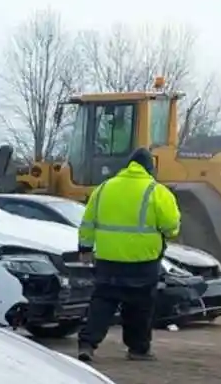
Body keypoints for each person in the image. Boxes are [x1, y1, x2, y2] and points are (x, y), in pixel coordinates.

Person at [76, 147, 180, 363]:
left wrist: (85, 249)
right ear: (150, 168)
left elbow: (87, 222)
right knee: (140, 306)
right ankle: (138, 349)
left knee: (102, 302)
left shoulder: (104, 188)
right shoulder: (157, 191)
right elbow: (171, 227)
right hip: (143, 261)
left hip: (108, 259)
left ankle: (87, 343)